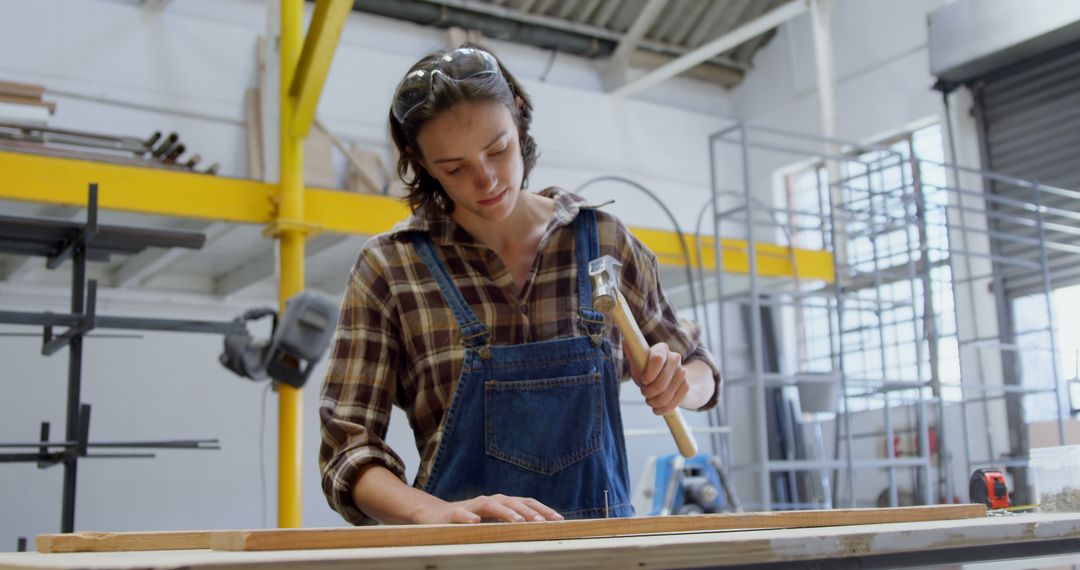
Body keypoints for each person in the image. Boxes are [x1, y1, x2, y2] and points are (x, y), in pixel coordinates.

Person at [319, 45, 721, 526]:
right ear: (420, 161)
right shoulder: (389, 268)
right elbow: (347, 449)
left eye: (498, 149)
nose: (486, 180)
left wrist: (681, 384)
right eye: (454, 168)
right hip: (462, 558)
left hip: (601, 553)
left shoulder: (604, 241)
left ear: (519, 113)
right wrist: (435, 514)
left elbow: (702, 371)